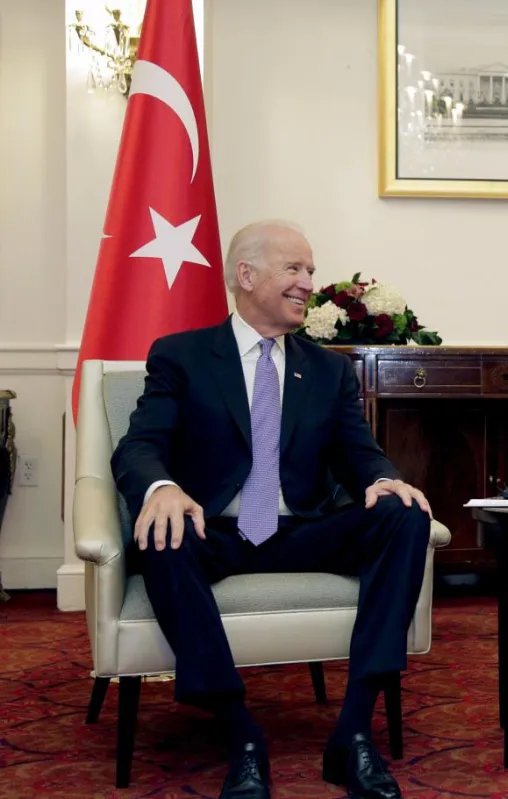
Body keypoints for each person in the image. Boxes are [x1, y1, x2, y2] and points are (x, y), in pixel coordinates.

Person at [112, 219, 430, 799]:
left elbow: (359, 454)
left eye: (310, 270)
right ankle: (240, 733)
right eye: (294, 268)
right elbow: (139, 445)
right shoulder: (182, 356)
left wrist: (383, 479)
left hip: (301, 529)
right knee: (163, 533)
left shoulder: (328, 369)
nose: (309, 282)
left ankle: (354, 732)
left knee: (404, 514)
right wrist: (162, 488)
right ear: (246, 274)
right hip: (215, 531)